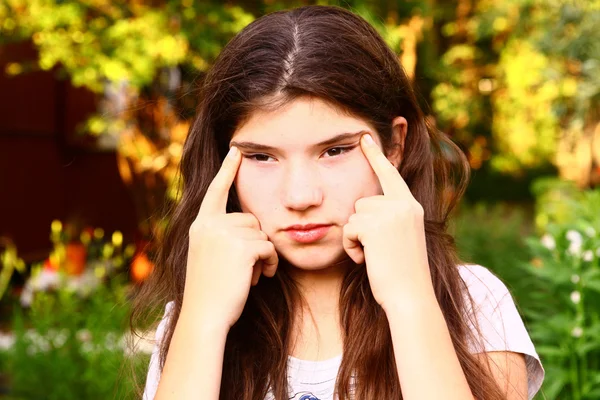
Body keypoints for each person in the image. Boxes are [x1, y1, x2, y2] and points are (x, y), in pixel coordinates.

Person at [132, 5, 544, 400]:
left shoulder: (472, 301)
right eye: (261, 157)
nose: (300, 197)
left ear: (395, 144)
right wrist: (204, 321)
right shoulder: (196, 320)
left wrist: (409, 298)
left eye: (335, 151)